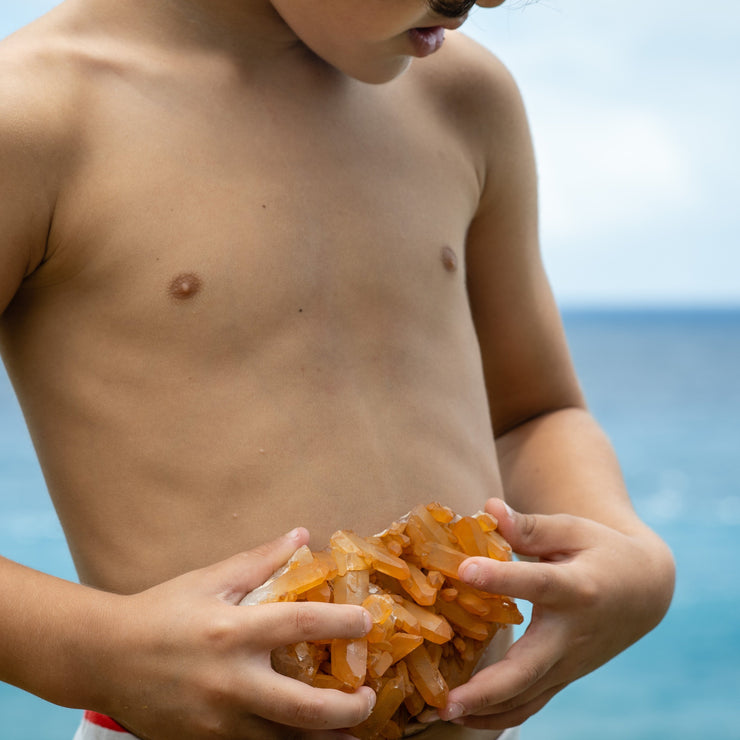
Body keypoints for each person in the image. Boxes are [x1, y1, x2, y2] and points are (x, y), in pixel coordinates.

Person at [0, 0, 675, 738]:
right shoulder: (36, 114)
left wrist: (627, 553)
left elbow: (533, 413)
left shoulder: (463, 96)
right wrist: (102, 653)